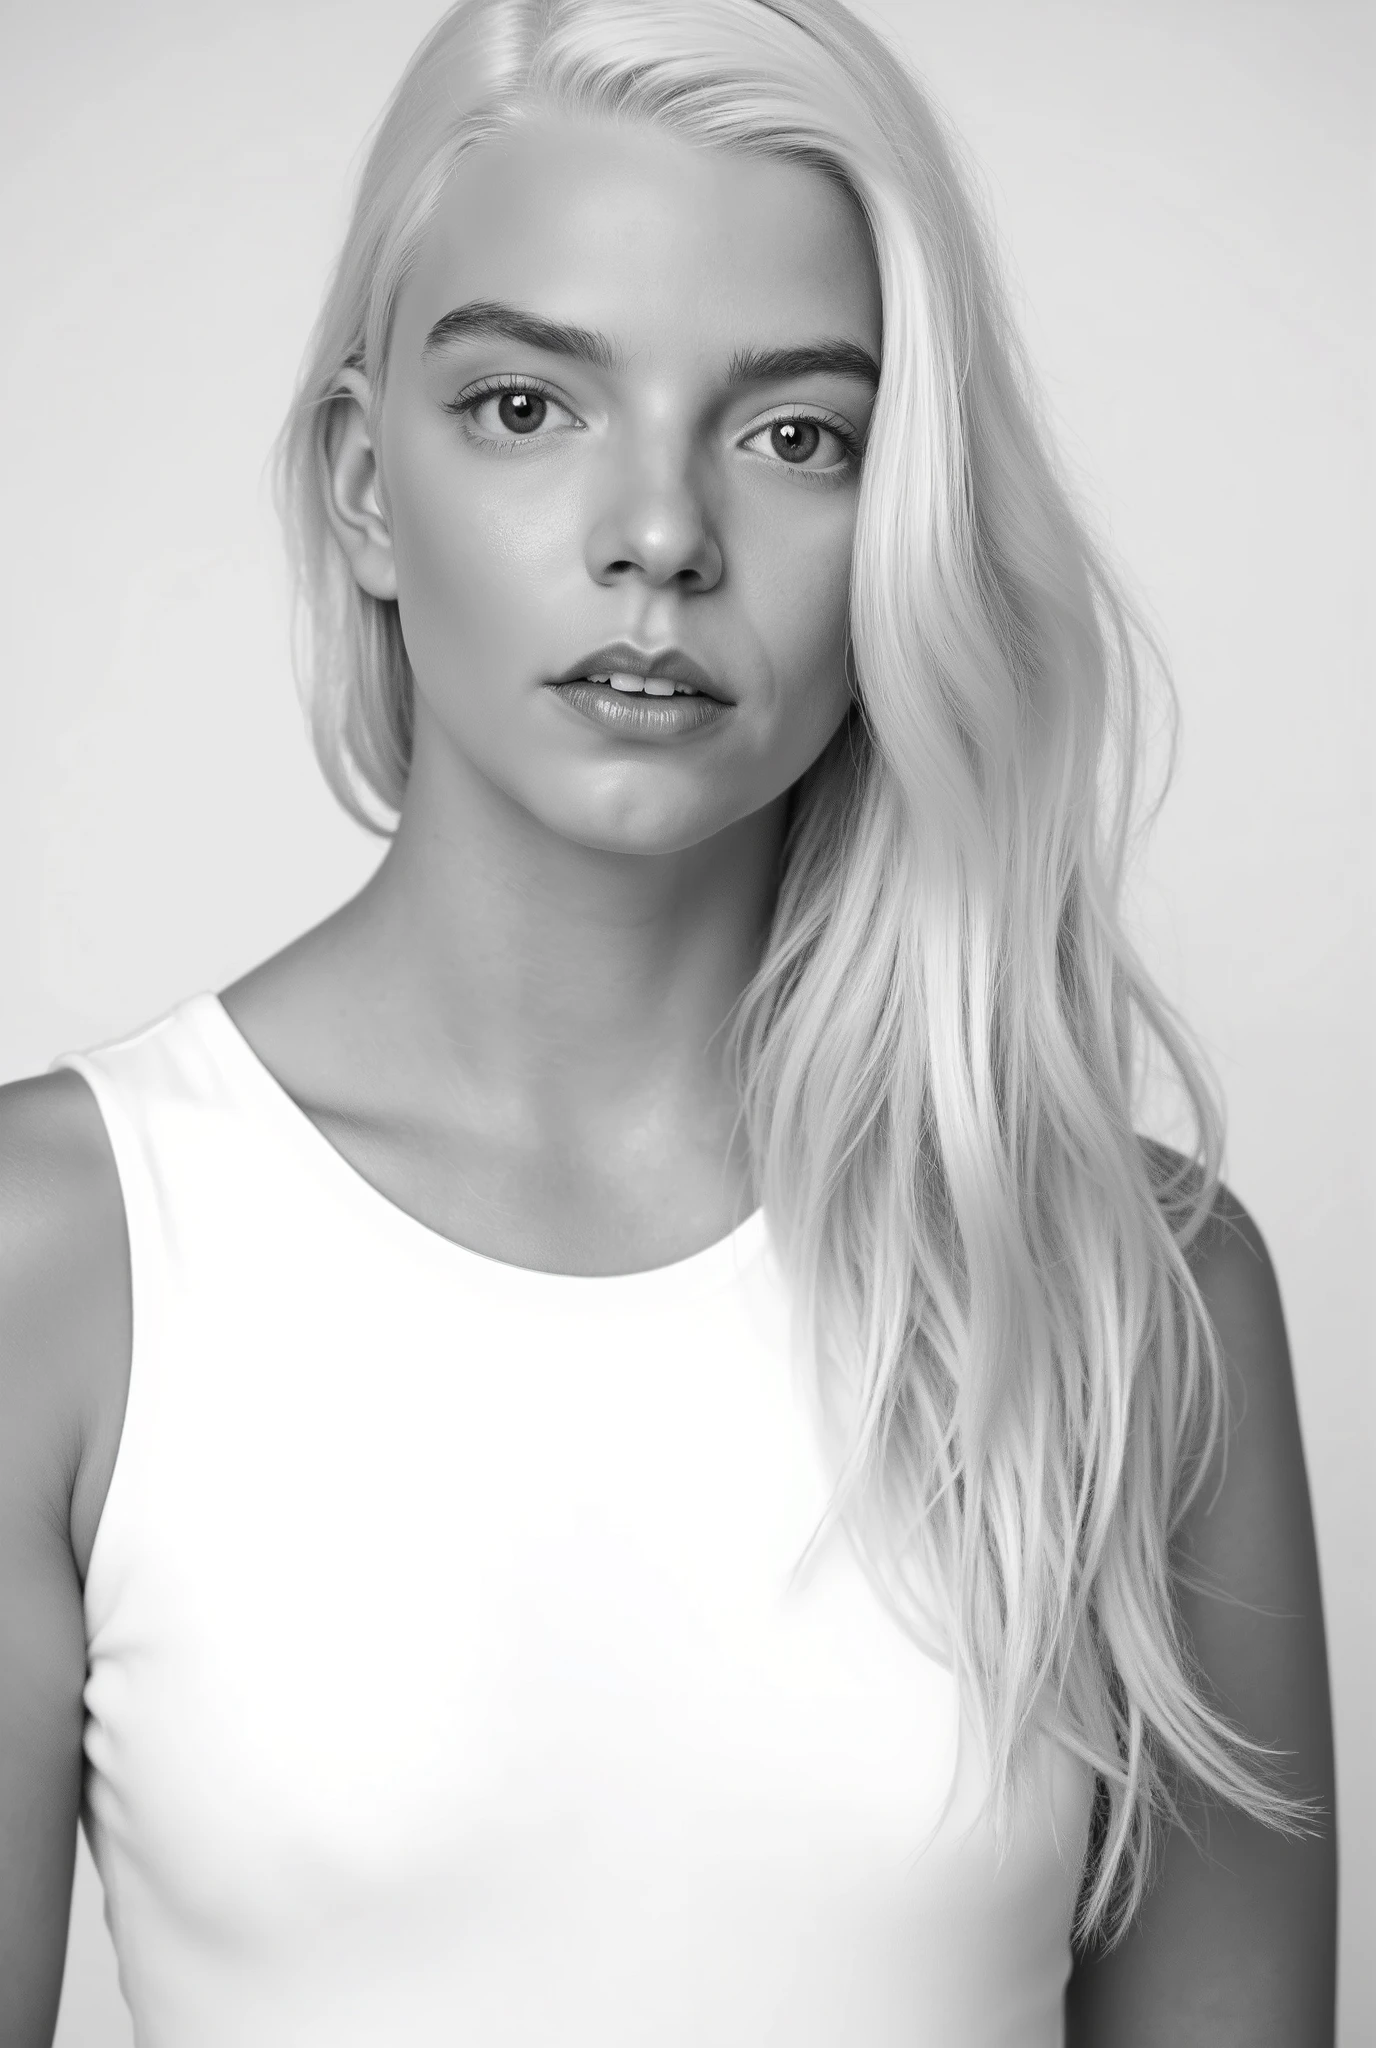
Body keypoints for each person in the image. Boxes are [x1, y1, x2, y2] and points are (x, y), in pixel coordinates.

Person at [0, 0, 1337, 2042]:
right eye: (530, 407)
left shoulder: (1132, 1297)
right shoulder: (60, 1261)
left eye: (794, 433)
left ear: (901, 518)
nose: (661, 535)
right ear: (366, 485)